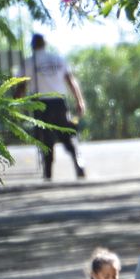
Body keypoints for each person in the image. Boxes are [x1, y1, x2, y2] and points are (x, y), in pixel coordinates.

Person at [28, 32, 88, 180]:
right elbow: (71, 81)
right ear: (45, 44)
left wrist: (17, 101)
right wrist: (79, 100)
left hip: (41, 103)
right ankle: (78, 162)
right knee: (66, 133)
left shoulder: (30, 62)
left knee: (45, 138)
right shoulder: (58, 59)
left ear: (33, 45)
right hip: (59, 102)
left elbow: (21, 85)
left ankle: (48, 172)